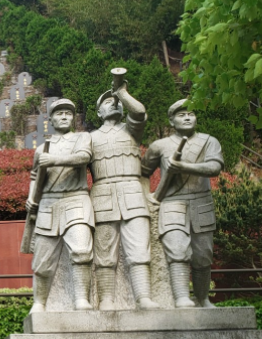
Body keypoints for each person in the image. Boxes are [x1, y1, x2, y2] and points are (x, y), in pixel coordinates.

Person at [142, 100, 224, 308]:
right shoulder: (159, 146)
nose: (187, 117)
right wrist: (148, 197)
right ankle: (181, 298)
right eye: (181, 115)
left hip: (201, 202)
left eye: (191, 113)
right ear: (171, 120)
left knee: (203, 255)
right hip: (171, 204)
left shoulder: (208, 141)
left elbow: (214, 167)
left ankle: (203, 298)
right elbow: (142, 172)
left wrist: (182, 166)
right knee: (177, 250)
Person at [90, 75, 160, 310]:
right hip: (102, 196)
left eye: (115, 101)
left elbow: (139, 112)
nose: (113, 103)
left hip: (132, 194)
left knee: (139, 249)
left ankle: (143, 298)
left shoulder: (131, 130)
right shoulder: (89, 139)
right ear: (98, 113)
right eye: (107, 102)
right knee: (104, 252)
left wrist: (121, 93)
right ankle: (107, 299)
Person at [26, 98, 94, 313]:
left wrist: (53, 160)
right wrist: (31, 197)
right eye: (59, 113)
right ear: (51, 119)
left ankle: (81, 299)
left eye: (68, 113)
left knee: (82, 251)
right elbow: (35, 176)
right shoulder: (41, 149)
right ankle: (39, 303)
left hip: (76, 199)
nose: (64, 117)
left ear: (74, 118)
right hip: (48, 203)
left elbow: (83, 157)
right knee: (42, 262)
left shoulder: (82, 138)